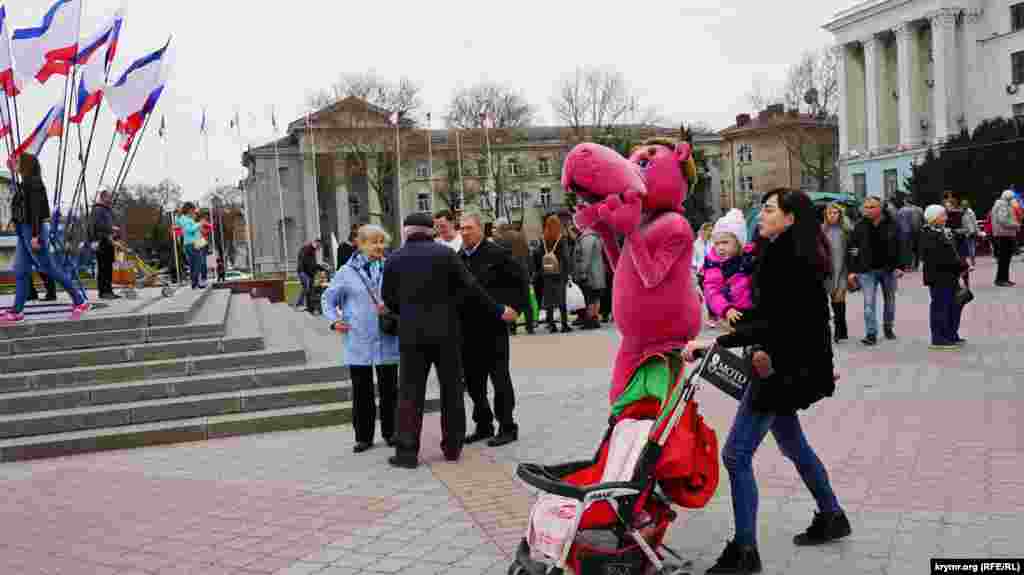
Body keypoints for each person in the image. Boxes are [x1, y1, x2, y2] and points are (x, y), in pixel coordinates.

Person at [685, 189, 848, 574]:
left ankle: (745, 551)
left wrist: (714, 343)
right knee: (793, 444)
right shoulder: (783, 253)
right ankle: (832, 515)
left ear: (790, 218)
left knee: (736, 455)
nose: (761, 215)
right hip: (783, 367)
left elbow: (778, 323)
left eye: (770, 210)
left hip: (778, 373)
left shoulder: (789, 259)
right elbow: (791, 319)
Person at [381, 213, 518, 469]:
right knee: (451, 389)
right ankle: (453, 447)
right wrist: (498, 309)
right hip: (447, 333)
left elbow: (388, 298)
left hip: (411, 335)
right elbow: (471, 288)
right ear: (430, 231)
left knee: (410, 392)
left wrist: (408, 312)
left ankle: (406, 452)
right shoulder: (446, 255)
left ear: (406, 231)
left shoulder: (394, 258)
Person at [322, 225, 400, 452]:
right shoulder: (346, 272)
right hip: (359, 337)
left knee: (390, 389)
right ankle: (364, 437)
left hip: (386, 336)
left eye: (382, 242)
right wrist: (334, 320)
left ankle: (391, 432)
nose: (379, 246)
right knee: (361, 390)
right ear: (361, 244)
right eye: (374, 242)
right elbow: (328, 299)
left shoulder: (391, 267)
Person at [458, 214, 529, 447]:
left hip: (493, 327)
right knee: (473, 381)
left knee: (499, 379)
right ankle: (483, 424)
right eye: (462, 228)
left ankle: (507, 426)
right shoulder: (459, 257)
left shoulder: (497, 254)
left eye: (469, 228)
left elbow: (521, 280)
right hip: (467, 329)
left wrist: (515, 308)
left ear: (480, 229)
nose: (465, 232)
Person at [1, 154, 90, 325]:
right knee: (21, 270)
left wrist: (35, 235)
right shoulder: (26, 183)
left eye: (18, 162)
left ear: (26, 165)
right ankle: (17, 311)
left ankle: (79, 300)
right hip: (24, 230)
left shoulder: (34, 183)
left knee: (48, 268)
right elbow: (21, 207)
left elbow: (35, 212)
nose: (16, 164)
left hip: (32, 230)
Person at [847, 195, 904, 346]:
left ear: (881, 208)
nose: (868, 210)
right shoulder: (859, 225)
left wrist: (900, 266)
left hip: (888, 270)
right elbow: (852, 248)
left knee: (890, 301)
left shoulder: (893, 224)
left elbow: (901, 246)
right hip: (866, 271)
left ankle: (888, 327)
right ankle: (871, 333)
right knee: (868, 303)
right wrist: (852, 270)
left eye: (872, 207)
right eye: (866, 207)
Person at [919, 205, 969, 351]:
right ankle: (939, 338)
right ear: (933, 218)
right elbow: (942, 257)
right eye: (942, 215)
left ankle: (951, 334)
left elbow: (953, 251)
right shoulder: (928, 234)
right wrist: (961, 266)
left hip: (950, 275)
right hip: (939, 277)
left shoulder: (943, 232)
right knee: (940, 307)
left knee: (953, 306)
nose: (945, 218)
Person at [702, 209, 754, 330]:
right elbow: (711, 291)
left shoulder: (749, 256)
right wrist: (726, 309)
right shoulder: (714, 264)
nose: (720, 248)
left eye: (725, 242)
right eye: (716, 243)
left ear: (739, 242)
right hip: (732, 314)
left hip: (750, 312)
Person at [533, 213, 572, 333]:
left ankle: (551, 325)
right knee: (561, 299)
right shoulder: (561, 239)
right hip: (560, 273)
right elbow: (565, 257)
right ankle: (564, 325)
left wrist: (541, 270)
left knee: (549, 299)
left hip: (547, 273)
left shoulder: (543, 239)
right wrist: (567, 273)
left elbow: (538, 255)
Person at [495, 223, 536, 335]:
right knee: (526, 301)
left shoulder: (500, 240)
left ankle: (512, 328)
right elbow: (528, 256)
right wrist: (531, 271)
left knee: (509, 302)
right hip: (523, 272)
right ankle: (530, 326)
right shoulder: (520, 237)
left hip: (508, 274)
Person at [823, 203, 850, 343]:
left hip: (843, 270)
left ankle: (839, 331)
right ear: (826, 215)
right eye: (830, 213)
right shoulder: (821, 230)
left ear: (840, 214)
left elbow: (852, 249)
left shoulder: (846, 230)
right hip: (827, 272)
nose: (833, 215)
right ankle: (838, 329)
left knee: (839, 301)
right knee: (831, 302)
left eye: (835, 213)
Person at [573, 224, 606, 330]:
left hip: (590, 274)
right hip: (598, 273)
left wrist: (582, 272)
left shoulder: (587, 238)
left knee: (590, 298)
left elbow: (585, 257)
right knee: (596, 297)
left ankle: (590, 321)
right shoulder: (596, 236)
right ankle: (595, 319)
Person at [92, 189, 119, 300]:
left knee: (108, 268)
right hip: (102, 241)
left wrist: (115, 233)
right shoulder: (98, 209)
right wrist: (111, 228)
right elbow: (98, 225)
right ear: (103, 197)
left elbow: (109, 223)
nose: (110, 199)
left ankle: (109, 290)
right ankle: (103, 292)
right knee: (103, 268)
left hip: (109, 241)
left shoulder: (107, 210)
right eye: (108, 197)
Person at [991, 190, 1019, 287]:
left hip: (1003, 234)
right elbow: (1003, 220)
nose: (1014, 200)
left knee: (1004, 259)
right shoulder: (1003, 205)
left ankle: (1003, 279)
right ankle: (1001, 280)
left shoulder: (1001, 204)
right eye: (1012, 198)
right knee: (1004, 259)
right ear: (1008, 198)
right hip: (1004, 235)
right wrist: (1015, 225)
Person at [176, 203, 203, 289]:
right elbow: (189, 230)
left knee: (193, 265)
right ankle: (195, 282)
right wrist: (199, 224)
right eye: (193, 210)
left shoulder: (186, 219)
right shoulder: (185, 219)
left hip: (194, 242)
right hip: (192, 243)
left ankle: (195, 283)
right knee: (198, 263)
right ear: (189, 210)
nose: (194, 212)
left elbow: (179, 222)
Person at [294, 239, 325, 312]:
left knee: (310, 291)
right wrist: (301, 271)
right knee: (306, 287)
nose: (319, 248)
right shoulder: (307, 248)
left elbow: (312, 264)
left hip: (309, 274)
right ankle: (299, 305)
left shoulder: (312, 250)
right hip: (304, 272)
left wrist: (321, 267)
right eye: (319, 246)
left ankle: (310, 308)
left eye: (319, 247)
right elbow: (302, 260)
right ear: (316, 243)